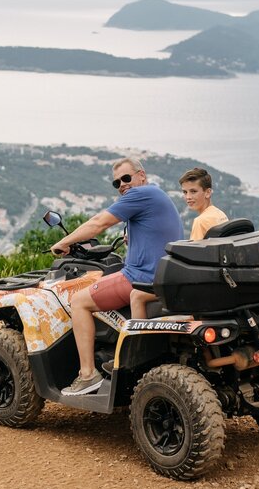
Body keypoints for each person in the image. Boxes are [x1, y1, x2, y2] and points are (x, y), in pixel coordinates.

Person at [50, 157, 182, 395]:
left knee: (79, 301)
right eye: (117, 183)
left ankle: (88, 374)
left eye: (126, 178)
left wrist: (64, 241)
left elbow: (98, 223)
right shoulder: (156, 196)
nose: (122, 184)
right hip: (164, 276)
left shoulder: (139, 195)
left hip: (140, 277)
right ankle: (121, 354)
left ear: (142, 175)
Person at [180, 167, 229, 241]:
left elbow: (194, 251)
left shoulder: (200, 221)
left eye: (193, 191)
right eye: (185, 192)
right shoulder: (220, 214)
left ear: (208, 193)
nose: (188, 197)